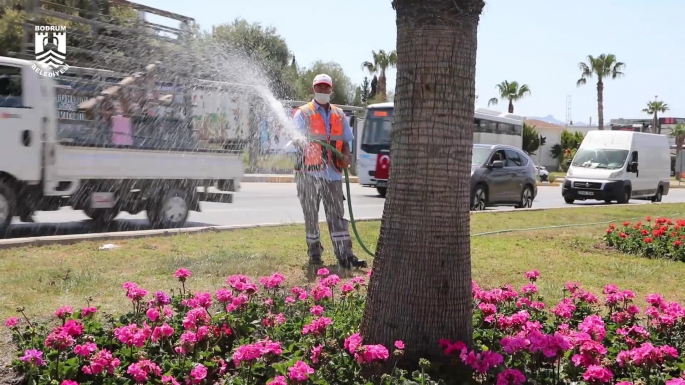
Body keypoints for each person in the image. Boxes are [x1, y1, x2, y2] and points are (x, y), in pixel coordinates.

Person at [292, 74, 367, 269]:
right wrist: (304, 143)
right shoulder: (303, 113)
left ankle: (345, 255)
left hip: (333, 172)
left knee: (337, 215)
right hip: (309, 173)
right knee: (311, 215)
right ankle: (314, 254)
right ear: (313, 89)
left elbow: (346, 141)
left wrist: (347, 156)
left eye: (326, 88)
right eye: (320, 87)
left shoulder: (339, 114)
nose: (323, 91)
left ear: (331, 90)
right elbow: (297, 139)